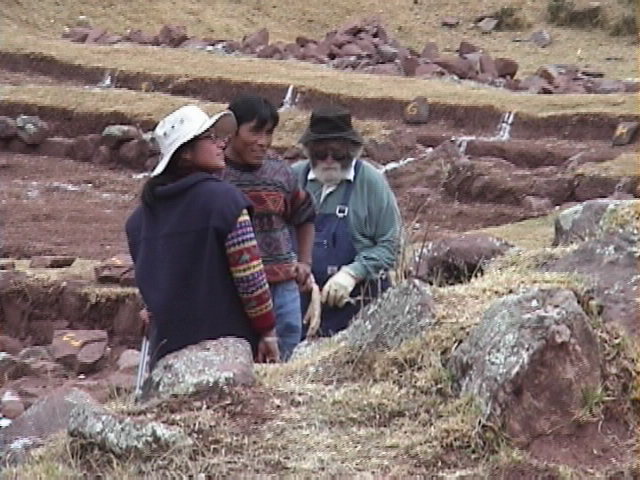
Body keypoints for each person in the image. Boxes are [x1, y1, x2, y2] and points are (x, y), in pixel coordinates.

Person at [125, 105, 279, 370]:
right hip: (227, 354)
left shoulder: (139, 221)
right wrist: (267, 331)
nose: (221, 143)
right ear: (186, 153)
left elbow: (152, 292)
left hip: (168, 359)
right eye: (210, 137)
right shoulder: (226, 202)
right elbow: (251, 281)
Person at [293, 105, 401, 336]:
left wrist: (353, 272)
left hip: (358, 309)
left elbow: (391, 245)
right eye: (321, 152)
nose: (329, 160)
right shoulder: (294, 179)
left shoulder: (371, 183)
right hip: (300, 307)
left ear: (352, 150)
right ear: (309, 150)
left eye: (338, 152)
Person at [223, 95, 316, 361]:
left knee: (285, 360)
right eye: (254, 132)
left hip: (283, 287)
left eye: (269, 133)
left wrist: (305, 262)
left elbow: (305, 213)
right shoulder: (216, 176)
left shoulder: (280, 172)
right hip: (236, 289)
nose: (262, 142)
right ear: (232, 130)